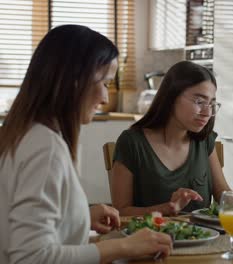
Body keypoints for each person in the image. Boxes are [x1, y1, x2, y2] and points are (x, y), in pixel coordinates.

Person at [0, 25, 172, 264]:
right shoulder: (45, 147)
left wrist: (77, 217)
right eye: (104, 83)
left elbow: (17, 224)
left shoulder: (21, 133)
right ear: (74, 81)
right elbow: (31, 257)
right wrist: (124, 246)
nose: (105, 98)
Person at [111, 61, 233, 216]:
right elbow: (121, 211)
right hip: (150, 242)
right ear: (171, 97)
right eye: (199, 101)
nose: (207, 112)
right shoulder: (132, 142)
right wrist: (167, 208)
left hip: (206, 241)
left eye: (211, 104)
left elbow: (223, 197)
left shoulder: (204, 141)